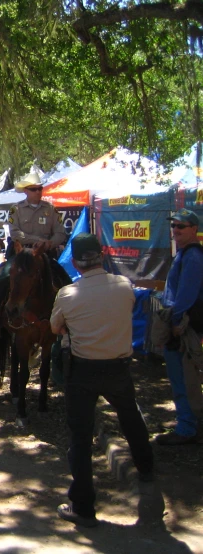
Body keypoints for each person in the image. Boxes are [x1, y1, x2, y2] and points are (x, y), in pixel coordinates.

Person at [50, 233, 154, 527]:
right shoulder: (124, 286)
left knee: (80, 437)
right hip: (118, 367)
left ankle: (83, 506)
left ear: (75, 262)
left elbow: (55, 327)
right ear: (102, 256)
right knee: (131, 418)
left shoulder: (67, 294)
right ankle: (146, 469)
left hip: (83, 371)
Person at [0, 172, 66, 339]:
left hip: (44, 255)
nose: (38, 192)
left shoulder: (51, 209)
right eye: (34, 189)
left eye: (39, 188)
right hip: (21, 255)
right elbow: (15, 233)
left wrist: (48, 244)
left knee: (65, 281)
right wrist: (38, 239)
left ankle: (68, 323)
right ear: (26, 191)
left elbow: (60, 233)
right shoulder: (17, 209)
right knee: (1, 279)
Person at [156, 208, 203, 445]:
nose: (175, 230)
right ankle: (186, 421)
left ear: (194, 229)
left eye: (181, 226)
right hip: (178, 323)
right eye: (173, 226)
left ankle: (187, 428)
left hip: (183, 327)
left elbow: (186, 294)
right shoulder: (185, 254)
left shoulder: (193, 256)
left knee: (183, 378)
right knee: (179, 377)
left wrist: (175, 324)